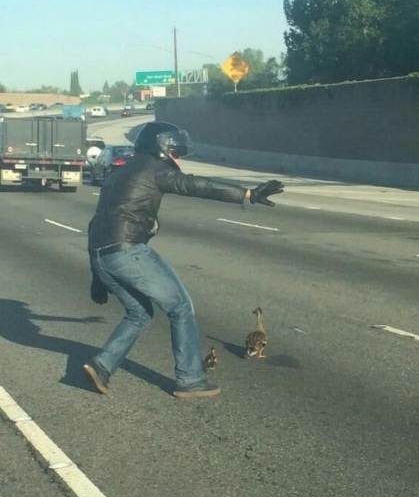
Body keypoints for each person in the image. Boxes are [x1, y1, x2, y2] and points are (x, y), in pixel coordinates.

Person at [84, 121, 284, 399]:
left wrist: (97, 274)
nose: (177, 158)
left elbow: (97, 221)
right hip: (128, 250)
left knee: (139, 313)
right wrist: (247, 193)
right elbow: (196, 185)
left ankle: (102, 365)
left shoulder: (119, 173)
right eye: (175, 151)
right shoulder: (154, 169)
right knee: (180, 306)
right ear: (162, 148)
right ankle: (189, 379)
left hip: (101, 253)